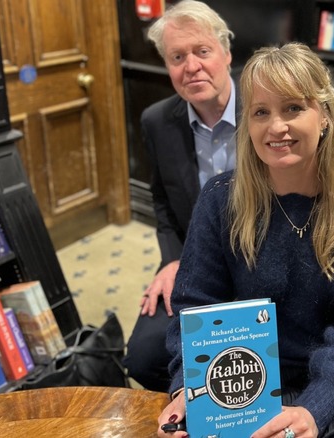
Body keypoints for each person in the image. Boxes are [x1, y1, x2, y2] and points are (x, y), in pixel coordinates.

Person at [157, 42, 334, 438]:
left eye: (293, 108)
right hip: (243, 370)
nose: (276, 127)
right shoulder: (221, 199)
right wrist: (189, 388)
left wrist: (316, 405)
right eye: (261, 112)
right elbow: (196, 306)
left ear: (324, 115)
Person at [123, 0, 239, 392]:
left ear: (225, 52)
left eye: (202, 51)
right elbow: (161, 201)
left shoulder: (267, 108)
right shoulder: (156, 121)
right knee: (142, 358)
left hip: (267, 262)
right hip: (196, 263)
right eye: (177, 56)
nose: (191, 66)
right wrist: (173, 259)